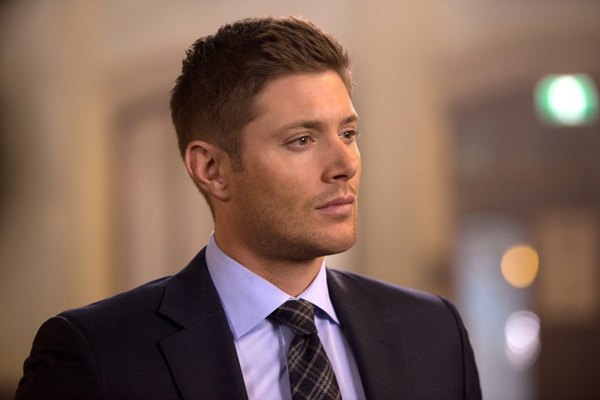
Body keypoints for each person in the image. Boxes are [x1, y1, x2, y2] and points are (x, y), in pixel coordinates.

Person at [15, 16, 481, 400]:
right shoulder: (96, 355)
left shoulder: (434, 330)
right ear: (212, 169)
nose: (345, 165)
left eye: (348, 133)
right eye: (302, 140)